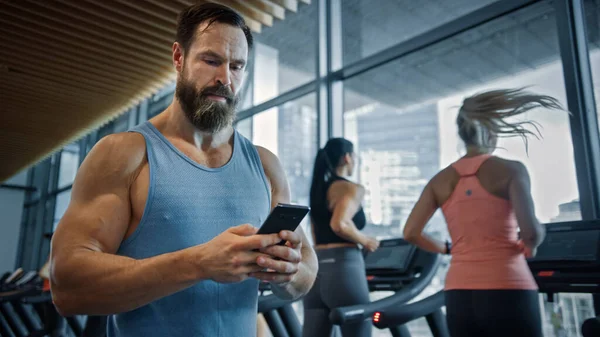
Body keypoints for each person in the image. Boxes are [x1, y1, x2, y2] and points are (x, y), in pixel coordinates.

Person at [49, 3, 318, 337]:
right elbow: (67, 286)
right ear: (179, 58)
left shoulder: (265, 165)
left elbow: (306, 270)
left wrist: (287, 272)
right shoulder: (123, 154)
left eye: (237, 66)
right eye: (211, 60)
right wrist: (199, 263)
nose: (225, 78)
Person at [402, 88, 559, 337]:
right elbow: (530, 233)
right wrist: (534, 240)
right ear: (490, 130)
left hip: (459, 292)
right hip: (507, 284)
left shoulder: (439, 181)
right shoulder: (511, 170)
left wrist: (448, 248)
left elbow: (410, 232)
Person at [302, 138, 380, 337]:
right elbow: (340, 224)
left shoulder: (318, 189)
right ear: (347, 157)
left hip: (317, 272)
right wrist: (366, 240)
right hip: (344, 269)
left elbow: (315, 231)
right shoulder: (351, 188)